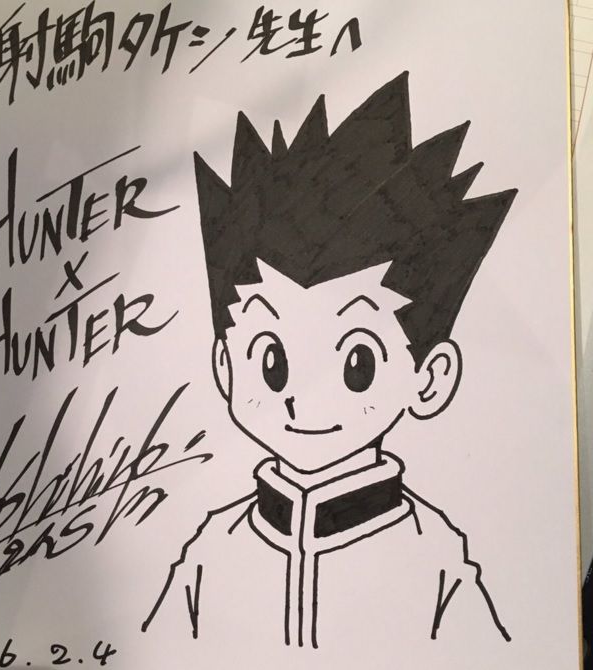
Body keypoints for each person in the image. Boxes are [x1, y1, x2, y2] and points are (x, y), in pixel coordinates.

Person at [142, 71, 517, 655]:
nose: (302, 398)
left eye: (357, 366)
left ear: (429, 378)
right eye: (272, 361)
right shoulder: (212, 550)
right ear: (226, 365)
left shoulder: (432, 561)